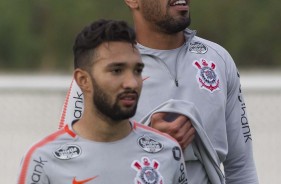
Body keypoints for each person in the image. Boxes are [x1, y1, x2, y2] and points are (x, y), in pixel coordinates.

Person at [59, 1, 259, 183]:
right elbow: (69, 166)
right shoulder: (99, 69)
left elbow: (241, 168)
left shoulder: (218, 60)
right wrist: (146, 145)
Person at [17, 19, 188, 184]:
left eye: (137, 70)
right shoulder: (42, 161)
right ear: (83, 80)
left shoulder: (167, 152)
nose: (132, 83)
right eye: (116, 70)